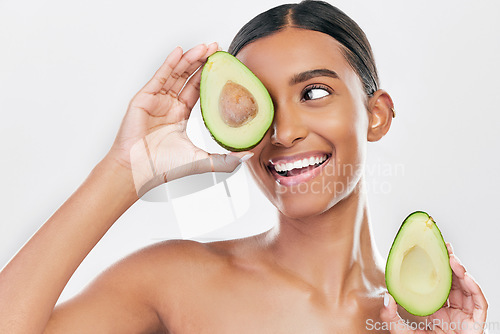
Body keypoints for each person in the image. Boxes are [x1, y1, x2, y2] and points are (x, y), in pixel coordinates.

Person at [0, 1, 488, 333]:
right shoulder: (172, 281)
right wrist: (124, 169)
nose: (284, 131)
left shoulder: (421, 321)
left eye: (314, 93)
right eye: (260, 105)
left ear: (376, 115)